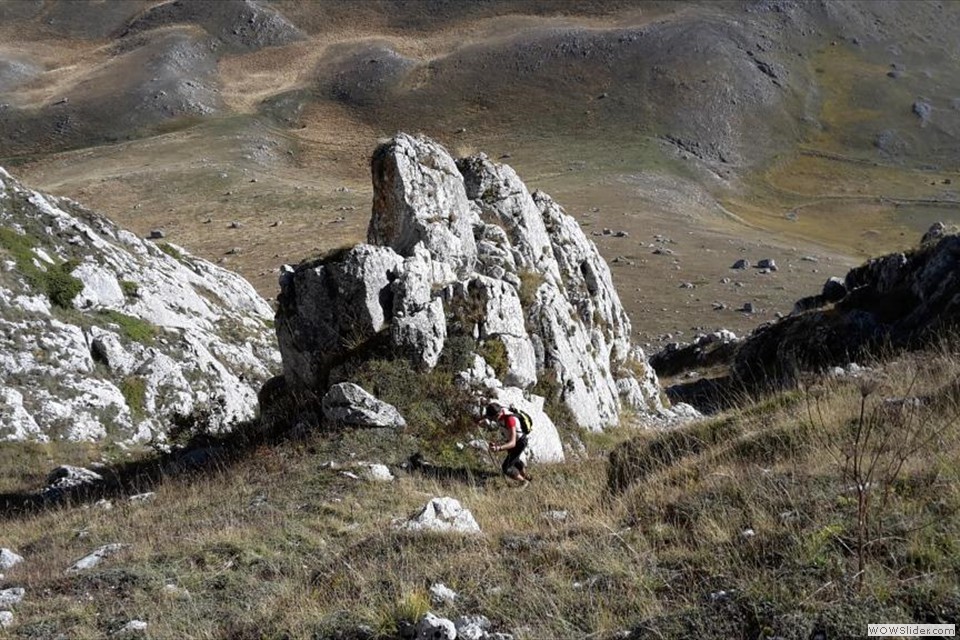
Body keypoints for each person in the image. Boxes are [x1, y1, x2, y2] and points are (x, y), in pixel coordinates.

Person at [481, 402, 532, 486]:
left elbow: (512, 443)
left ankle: (523, 482)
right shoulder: (499, 413)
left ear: (497, 414)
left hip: (519, 442)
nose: (493, 420)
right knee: (515, 461)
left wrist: (498, 448)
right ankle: (526, 476)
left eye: (493, 418)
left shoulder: (509, 420)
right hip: (514, 440)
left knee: (506, 467)